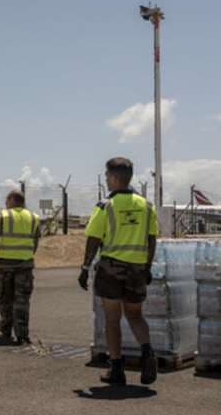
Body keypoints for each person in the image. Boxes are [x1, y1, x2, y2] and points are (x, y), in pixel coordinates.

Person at [78, 157, 159, 386]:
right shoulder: (146, 206)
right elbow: (152, 239)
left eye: (106, 176)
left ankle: (116, 369)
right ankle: (147, 353)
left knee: (112, 320)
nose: (106, 180)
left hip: (111, 267)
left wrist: (84, 268)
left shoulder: (106, 205)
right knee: (135, 315)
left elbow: (93, 239)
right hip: (137, 269)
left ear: (114, 178)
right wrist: (147, 267)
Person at [0, 190, 40, 345]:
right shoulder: (34, 218)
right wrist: (27, 255)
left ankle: (6, 332)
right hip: (25, 265)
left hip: (5, 265)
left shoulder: (3, 216)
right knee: (22, 301)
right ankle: (22, 334)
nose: (5, 203)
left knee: (5, 299)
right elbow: (35, 242)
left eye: (6, 200)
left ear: (11, 200)